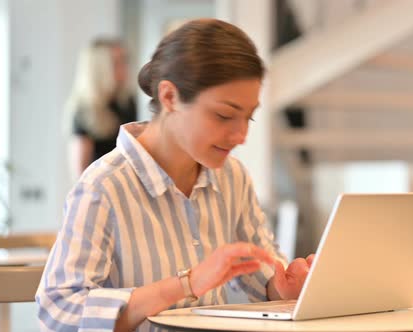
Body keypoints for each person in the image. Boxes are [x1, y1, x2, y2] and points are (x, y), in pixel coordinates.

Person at [37, 19, 313, 332]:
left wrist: (286, 290)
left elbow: (263, 280)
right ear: (169, 97)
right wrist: (188, 283)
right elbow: (58, 311)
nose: (241, 136)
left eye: (248, 118)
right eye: (224, 115)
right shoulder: (103, 186)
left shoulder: (233, 177)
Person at [65, 38, 137, 178]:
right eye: (117, 62)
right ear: (100, 69)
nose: (125, 67)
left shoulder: (127, 102)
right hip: (99, 191)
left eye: (125, 60)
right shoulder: (83, 111)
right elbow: (80, 172)